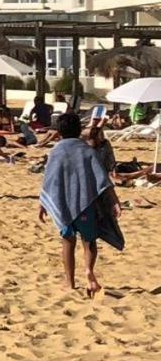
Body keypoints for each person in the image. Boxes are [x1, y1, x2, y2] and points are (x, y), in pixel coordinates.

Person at [39, 112, 125, 296]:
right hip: (87, 204)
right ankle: (88, 271)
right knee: (89, 242)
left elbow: (50, 180)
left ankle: (70, 283)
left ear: (59, 132)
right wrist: (114, 200)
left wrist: (43, 203)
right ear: (79, 130)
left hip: (64, 204)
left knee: (68, 242)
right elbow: (102, 178)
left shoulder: (56, 151)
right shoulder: (87, 150)